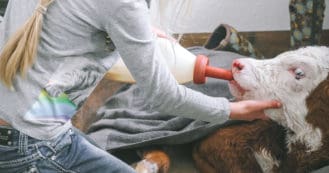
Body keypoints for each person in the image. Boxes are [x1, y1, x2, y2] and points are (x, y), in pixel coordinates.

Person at [0, 0, 281, 172]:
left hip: (24, 125)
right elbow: (163, 96)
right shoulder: (122, 4)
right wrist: (234, 109)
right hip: (31, 144)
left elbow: (66, 37)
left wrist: (136, 31)